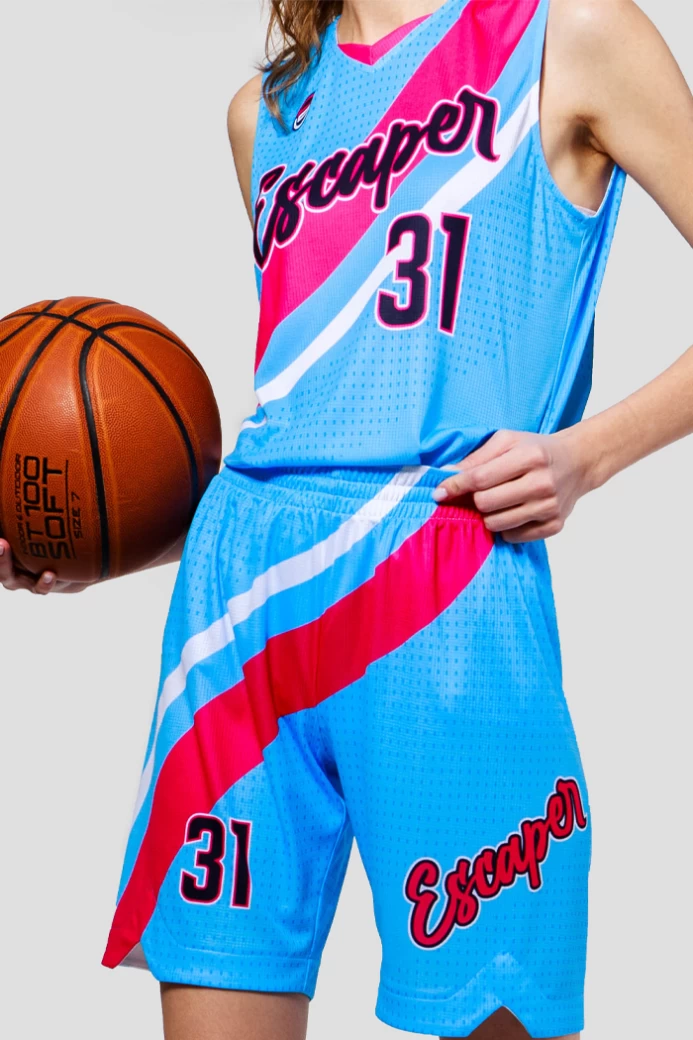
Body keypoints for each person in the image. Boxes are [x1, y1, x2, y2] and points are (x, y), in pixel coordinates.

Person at [5, 1, 692, 1037]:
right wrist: (96, 532)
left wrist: (584, 456)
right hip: (239, 616)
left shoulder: (568, 36)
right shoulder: (264, 113)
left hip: (445, 595)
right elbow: (316, 417)